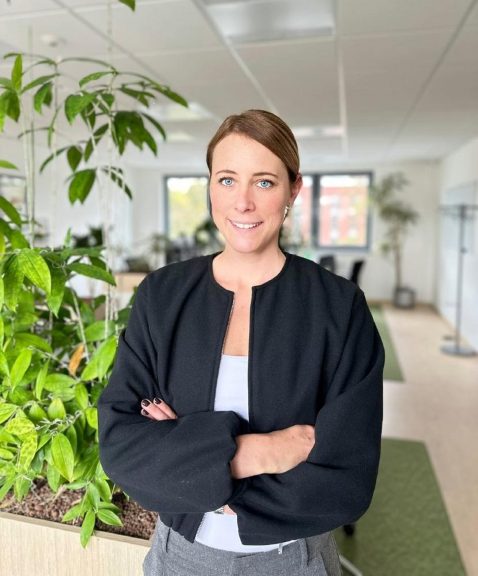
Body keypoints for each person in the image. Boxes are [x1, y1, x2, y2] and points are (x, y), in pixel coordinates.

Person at [97, 109, 384, 576]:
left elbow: (346, 480)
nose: (243, 202)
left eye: (264, 182)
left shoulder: (339, 307)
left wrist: (189, 457)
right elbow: (121, 446)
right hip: (178, 556)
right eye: (227, 180)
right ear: (210, 186)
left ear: (293, 190)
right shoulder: (162, 296)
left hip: (295, 561)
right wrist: (258, 452)